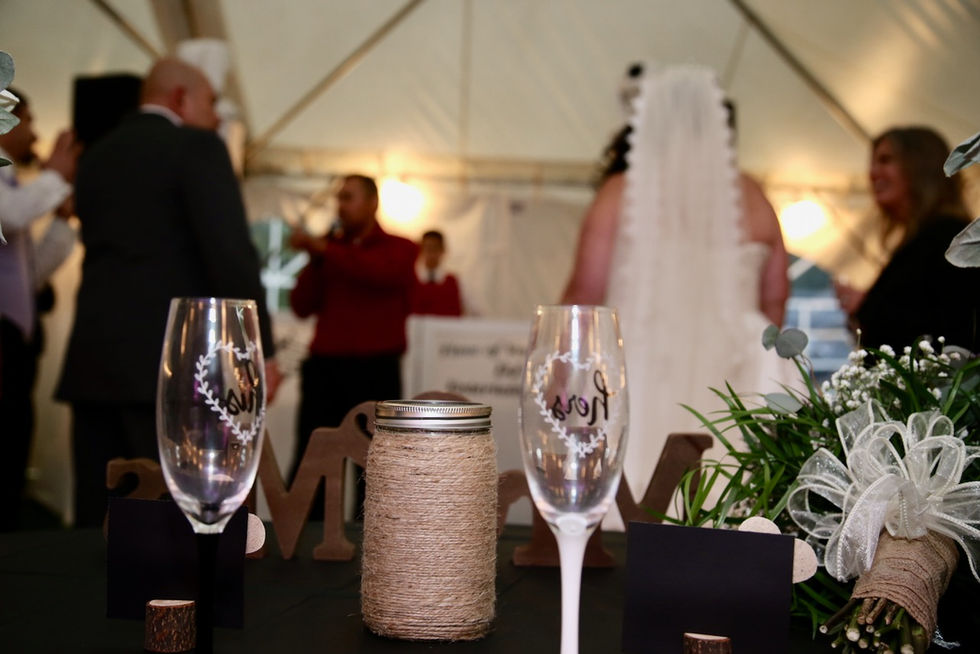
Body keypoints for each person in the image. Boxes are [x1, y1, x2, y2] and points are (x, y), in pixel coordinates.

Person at [561, 65, 793, 521]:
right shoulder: (754, 196)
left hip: (641, 360)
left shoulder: (619, 193)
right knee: (735, 489)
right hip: (737, 369)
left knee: (631, 484)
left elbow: (582, 299)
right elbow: (776, 296)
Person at [56, 58, 279, 527]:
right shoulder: (197, 147)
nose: (216, 118)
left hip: (92, 358)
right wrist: (261, 351)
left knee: (96, 516)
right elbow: (229, 255)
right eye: (211, 103)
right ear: (180, 98)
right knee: (164, 513)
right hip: (169, 363)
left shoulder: (94, 155)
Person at [289, 174, 418, 515]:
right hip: (326, 369)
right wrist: (318, 259)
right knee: (315, 457)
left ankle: (377, 538)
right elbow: (301, 305)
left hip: (375, 370)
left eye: (349, 197)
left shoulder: (401, 248)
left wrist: (325, 250)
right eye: (340, 198)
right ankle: (306, 534)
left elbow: (380, 273)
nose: (341, 205)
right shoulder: (330, 251)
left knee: (375, 462)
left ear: (373, 203)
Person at [0, 88, 79, 529]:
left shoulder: (13, 185)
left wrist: (63, 221)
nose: (34, 134)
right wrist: (54, 176)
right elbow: (10, 215)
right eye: (28, 121)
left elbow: (27, 278)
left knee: (13, 448)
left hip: (15, 346)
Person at [835, 127, 980, 351]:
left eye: (885, 160)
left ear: (920, 167)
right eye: (873, 163)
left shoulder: (949, 240)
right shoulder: (921, 240)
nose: (872, 172)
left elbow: (949, 322)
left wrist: (866, 306)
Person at [411, 229, 463, 316]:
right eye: (427, 248)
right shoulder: (411, 280)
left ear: (442, 250)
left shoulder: (455, 280)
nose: (431, 252)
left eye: (435, 248)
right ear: (421, 249)